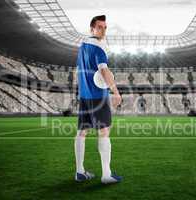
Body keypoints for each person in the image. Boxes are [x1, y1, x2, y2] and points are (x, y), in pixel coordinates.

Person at [74, 15, 123, 184]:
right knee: (104, 132)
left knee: (82, 132)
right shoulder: (99, 46)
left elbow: (81, 71)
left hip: (84, 96)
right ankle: (106, 174)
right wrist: (115, 91)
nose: (103, 30)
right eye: (99, 27)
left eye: (105, 27)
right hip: (97, 97)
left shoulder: (82, 46)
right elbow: (104, 71)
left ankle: (79, 171)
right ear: (92, 29)